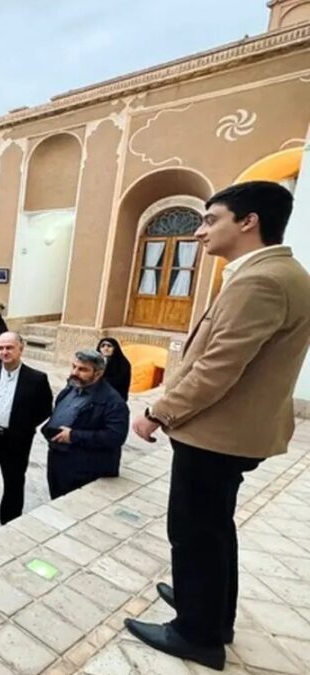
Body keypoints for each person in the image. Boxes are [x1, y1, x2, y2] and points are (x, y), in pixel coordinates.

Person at [126, 182, 310, 670]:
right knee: (212, 527)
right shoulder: (277, 272)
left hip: (217, 433)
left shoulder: (261, 281)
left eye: (211, 220)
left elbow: (217, 368)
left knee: (194, 531)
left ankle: (197, 634)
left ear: (248, 221)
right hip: (230, 431)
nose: (201, 231)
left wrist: (159, 412)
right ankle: (207, 609)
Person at [0, 332, 53, 530]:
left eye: (9, 348)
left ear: (20, 349)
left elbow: (44, 409)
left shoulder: (37, 379)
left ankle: (10, 520)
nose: (5, 352)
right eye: (1, 348)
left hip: (16, 440)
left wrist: (23, 425)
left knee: (14, 481)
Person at [42, 350, 129, 499]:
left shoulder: (112, 402)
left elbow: (115, 437)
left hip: (85, 468)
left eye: (82, 369)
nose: (75, 372)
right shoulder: (70, 389)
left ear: (98, 373)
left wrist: (74, 436)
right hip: (58, 460)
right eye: (74, 366)